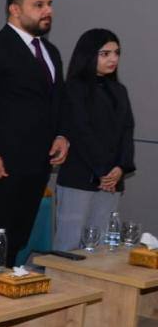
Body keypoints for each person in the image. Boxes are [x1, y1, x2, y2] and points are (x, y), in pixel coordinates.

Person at [0, 0, 68, 260]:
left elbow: (57, 101)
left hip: (38, 163)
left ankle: (5, 282)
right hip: (3, 163)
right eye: (38, 5)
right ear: (14, 10)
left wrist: (61, 135)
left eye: (49, 4)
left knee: (17, 235)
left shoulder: (50, 52)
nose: (47, 11)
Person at [53, 29, 134, 250]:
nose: (113, 59)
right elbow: (81, 132)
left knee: (101, 245)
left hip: (112, 180)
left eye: (116, 53)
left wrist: (120, 167)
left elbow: (127, 131)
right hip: (80, 176)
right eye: (105, 54)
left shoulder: (119, 90)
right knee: (70, 241)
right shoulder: (74, 88)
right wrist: (103, 171)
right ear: (88, 55)